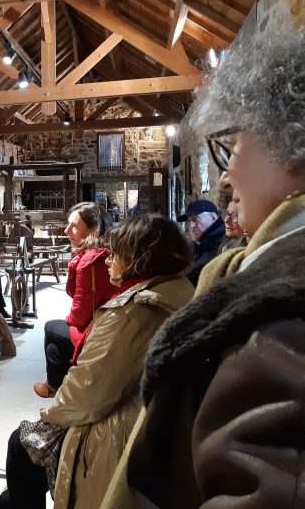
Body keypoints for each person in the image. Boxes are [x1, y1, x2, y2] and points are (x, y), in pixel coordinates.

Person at [102, 28, 305, 508]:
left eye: (235, 145)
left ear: (290, 139)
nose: (228, 174)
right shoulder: (257, 274)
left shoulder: (283, 317)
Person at [0, 215, 194, 509]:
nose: (109, 260)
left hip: (126, 430)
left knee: (22, 444)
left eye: (116, 253)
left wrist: (50, 417)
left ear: (138, 258)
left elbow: (89, 390)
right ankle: (0, 504)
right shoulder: (179, 287)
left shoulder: (134, 312)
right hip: (155, 417)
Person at [33, 202, 119, 398]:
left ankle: (56, 388)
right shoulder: (106, 251)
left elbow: (79, 316)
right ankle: (59, 388)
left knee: (51, 328)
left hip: (99, 330)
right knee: (54, 344)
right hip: (106, 322)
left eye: (74, 226)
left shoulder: (90, 262)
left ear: (93, 229)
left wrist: (70, 321)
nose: (66, 231)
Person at [178, 199, 225, 286]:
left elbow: (200, 269)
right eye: (188, 221)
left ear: (213, 217)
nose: (191, 226)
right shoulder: (201, 241)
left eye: (195, 219)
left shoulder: (219, 240)